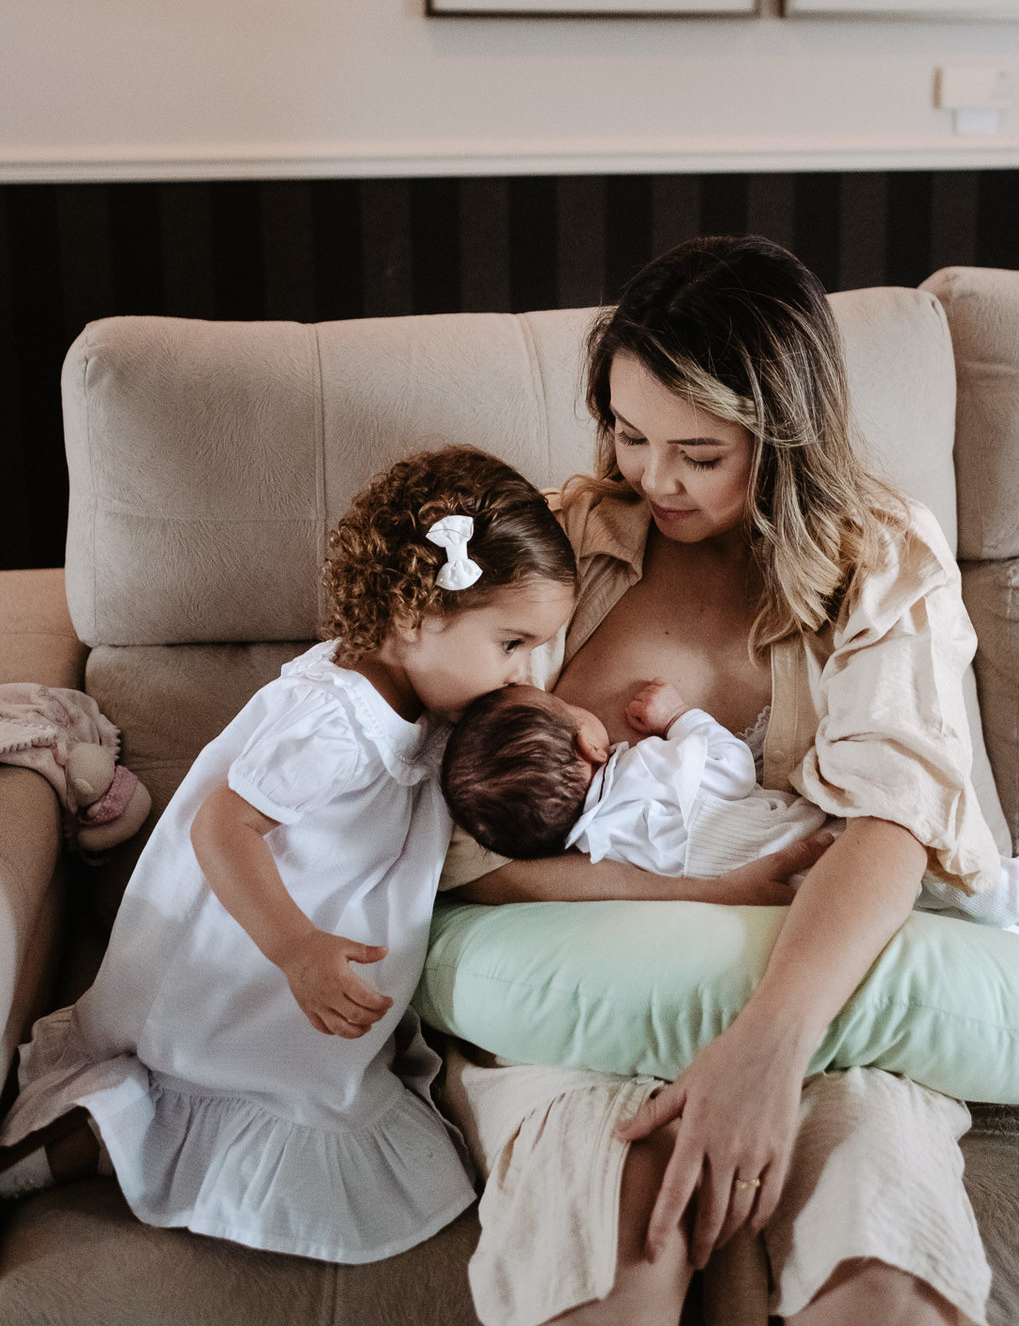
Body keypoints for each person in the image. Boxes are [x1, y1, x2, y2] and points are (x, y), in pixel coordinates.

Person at [437, 235, 1002, 1326]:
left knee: (880, 1284)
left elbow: (896, 820)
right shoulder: (558, 549)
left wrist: (767, 1052)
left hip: (821, 1002)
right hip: (583, 995)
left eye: (699, 452)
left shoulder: (880, 560)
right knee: (622, 1256)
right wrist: (696, 898)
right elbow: (459, 845)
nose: (652, 478)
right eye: (629, 432)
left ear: (784, 437)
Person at [0, 447, 583, 1264]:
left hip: (304, 944)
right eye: (514, 644)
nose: (524, 670)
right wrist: (297, 949)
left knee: (326, 1082)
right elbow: (220, 828)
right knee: (247, 1085)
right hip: (250, 948)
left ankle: (113, 1129)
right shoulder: (333, 722)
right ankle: (83, 1138)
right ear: (416, 618)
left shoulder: (423, 685)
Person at [441, 676, 1019, 934]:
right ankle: (1001, 890)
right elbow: (731, 770)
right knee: (911, 849)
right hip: (800, 839)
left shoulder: (589, 849)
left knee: (902, 913)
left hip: (764, 901)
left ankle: (986, 918)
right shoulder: (643, 764)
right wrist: (681, 717)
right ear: (588, 740)